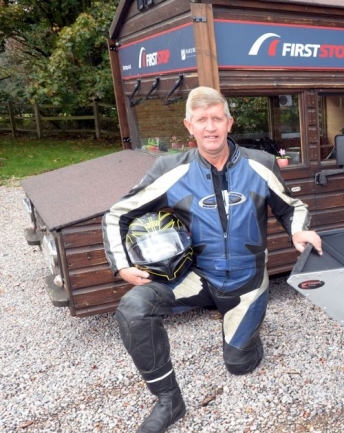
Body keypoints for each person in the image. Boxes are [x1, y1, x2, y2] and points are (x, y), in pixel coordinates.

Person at [101, 86, 323, 432]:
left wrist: (299, 231)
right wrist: (122, 265)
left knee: (239, 365)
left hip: (246, 284)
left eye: (216, 118)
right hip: (196, 277)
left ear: (229, 123)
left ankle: (248, 332)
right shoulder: (169, 168)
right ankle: (168, 400)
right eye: (201, 120)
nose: (210, 127)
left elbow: (290, 207)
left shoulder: (260, 163)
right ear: (189, 126)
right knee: (133, 309)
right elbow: (117, 215)